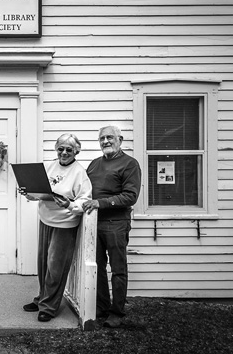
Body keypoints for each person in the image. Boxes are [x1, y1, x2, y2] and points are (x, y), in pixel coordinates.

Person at [19, 133, 92, 322]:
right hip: (45, 219)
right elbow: (39, 192)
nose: (64, 152)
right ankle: (42, 298)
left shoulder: (79, 173)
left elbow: (85, 200)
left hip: (64, 223)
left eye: (69, 149)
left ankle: (49, 307)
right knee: (43, 264)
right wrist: (28, 192)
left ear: (77, 151)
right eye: (61, 148)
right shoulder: (49, 166)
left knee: (55, 267)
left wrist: (69, 204)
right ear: (56, 149)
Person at [82, 125, 141, 328]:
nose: (105, 141)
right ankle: (102, 307)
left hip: (116, 223)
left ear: (120, 140)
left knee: (118, 269)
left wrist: (101, 202)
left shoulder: (130, 164)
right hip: (93, 224)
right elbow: (85, 191)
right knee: (96, 268)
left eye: (110, 137)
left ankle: (117, 311)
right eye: (102, 138)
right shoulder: (94, 164)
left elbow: (130, 196)